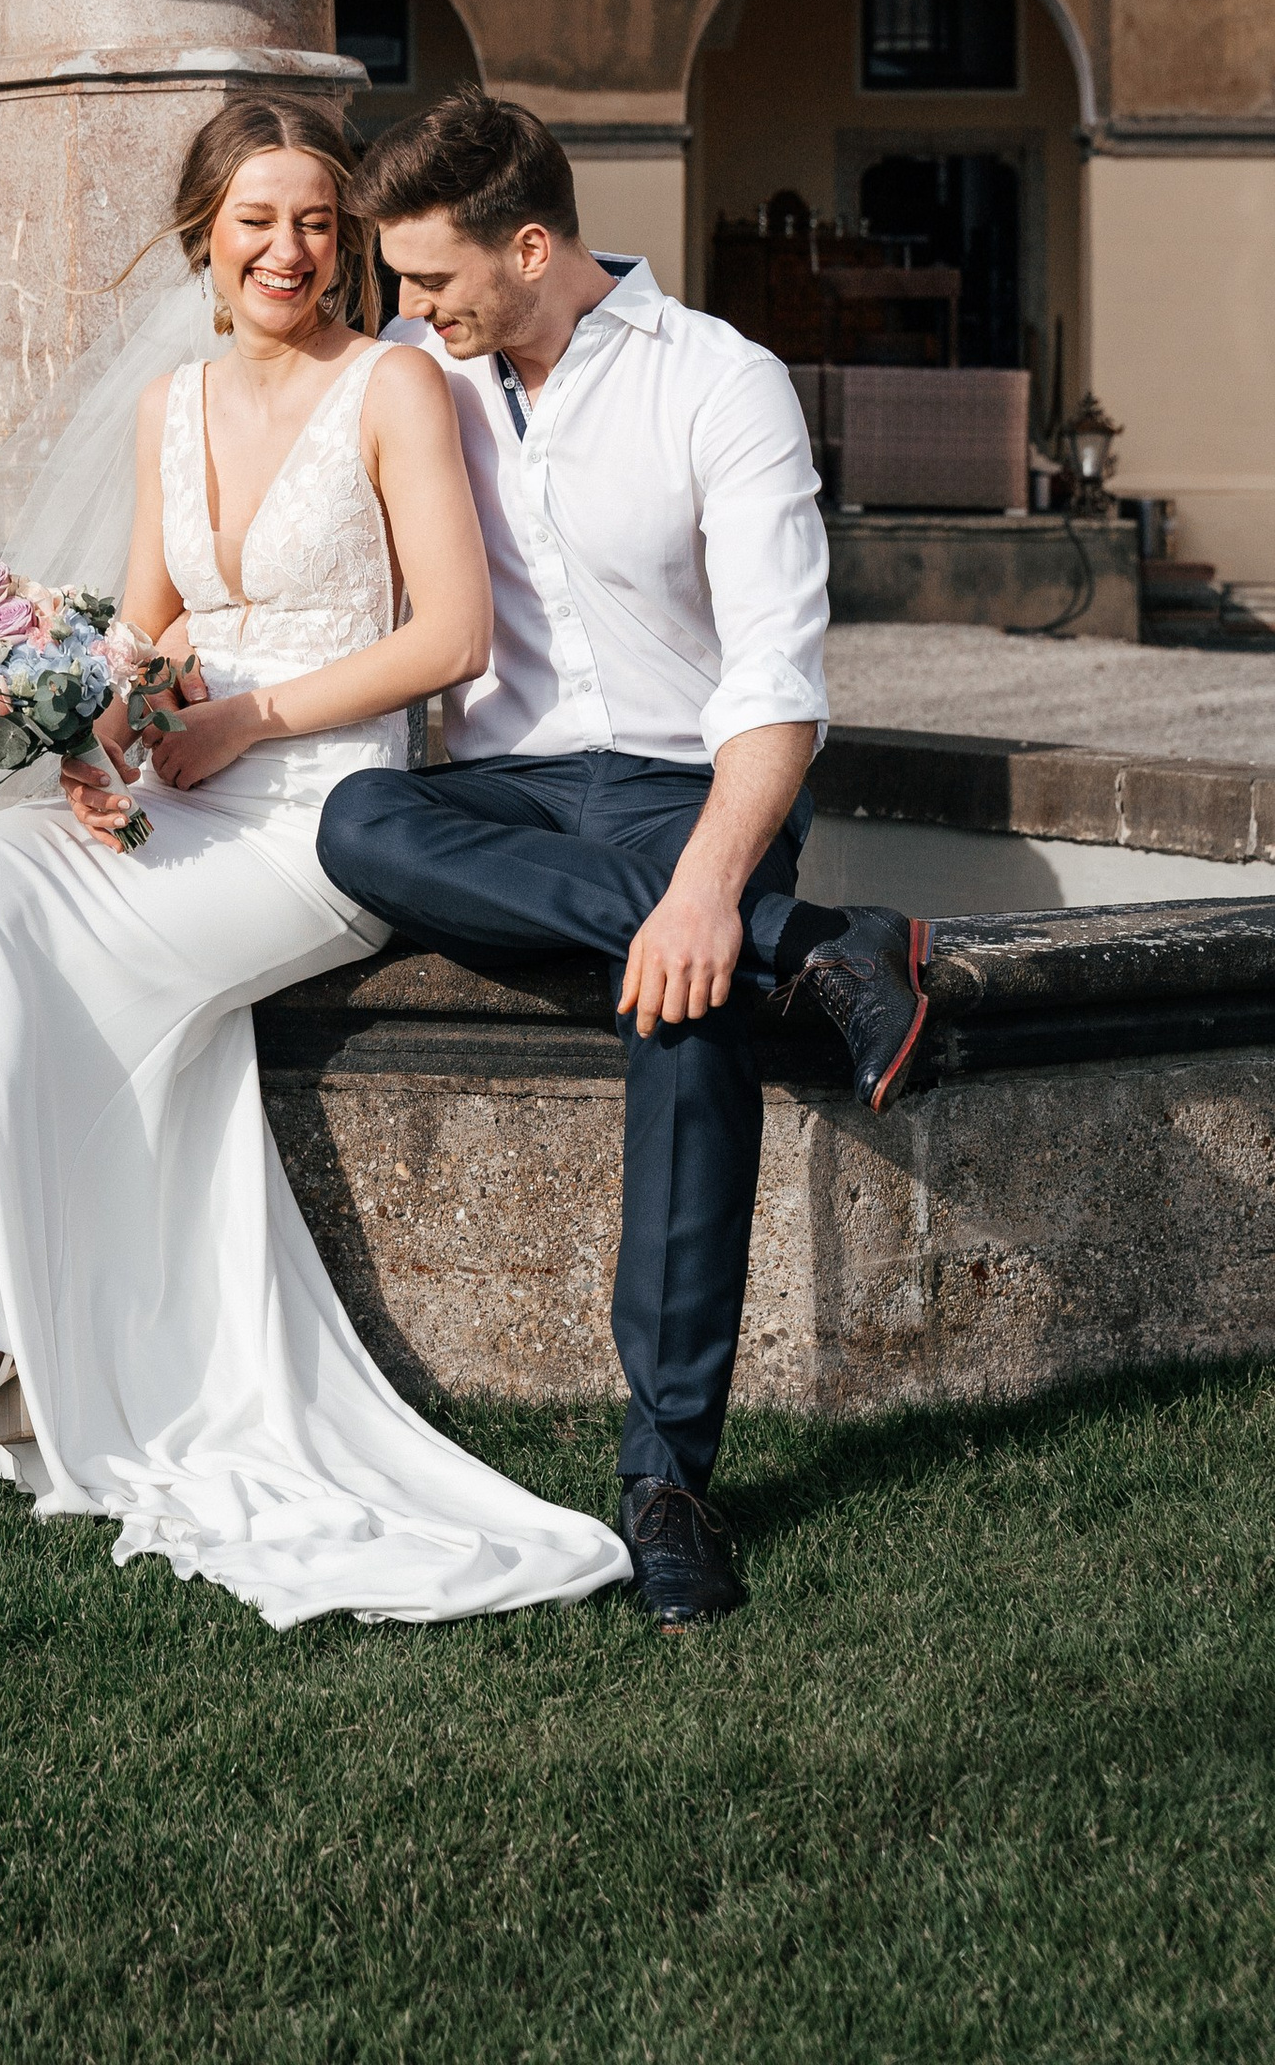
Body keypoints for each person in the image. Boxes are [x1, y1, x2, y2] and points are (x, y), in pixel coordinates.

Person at [0, 91, 628, 1627]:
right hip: (189, 783)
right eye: (257, 221)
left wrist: (248, 722)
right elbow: (149, 637)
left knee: (26, 952)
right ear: (203, 237)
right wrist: (92, 740)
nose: (290, 250)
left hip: (325, 813)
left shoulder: (397, 386)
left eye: (316, 221)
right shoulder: (169, 405)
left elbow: (452, 635)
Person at [316, 87, 932, 1634]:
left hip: (684, 782)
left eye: (436, 279)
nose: (409, 310)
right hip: (506, 794)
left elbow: (780, 682)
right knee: (352, 824)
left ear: (534, 246)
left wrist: (712, 881)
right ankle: (826, 942)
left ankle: (666, 1480)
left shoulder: (721, 382)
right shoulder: (414, 373)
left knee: (685, 1002)